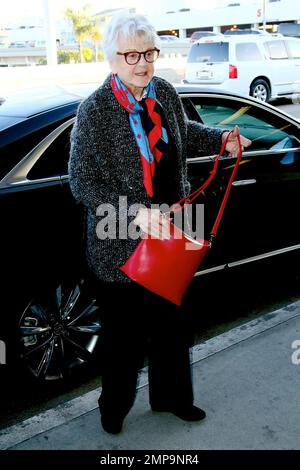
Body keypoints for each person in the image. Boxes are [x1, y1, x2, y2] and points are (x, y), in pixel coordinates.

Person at [68, 11, 251, 435]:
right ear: (112, 58)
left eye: (148, 52)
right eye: (130, 54)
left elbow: (183, 131)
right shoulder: (93, 111)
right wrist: (134, 210)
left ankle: (172, 399)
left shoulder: (163, 90)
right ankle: (113, 409)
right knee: (124, 341)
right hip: (120, 240)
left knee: (172, 327)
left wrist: (221, 138)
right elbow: (82, 182)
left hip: (171, 230)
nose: (142, 62)